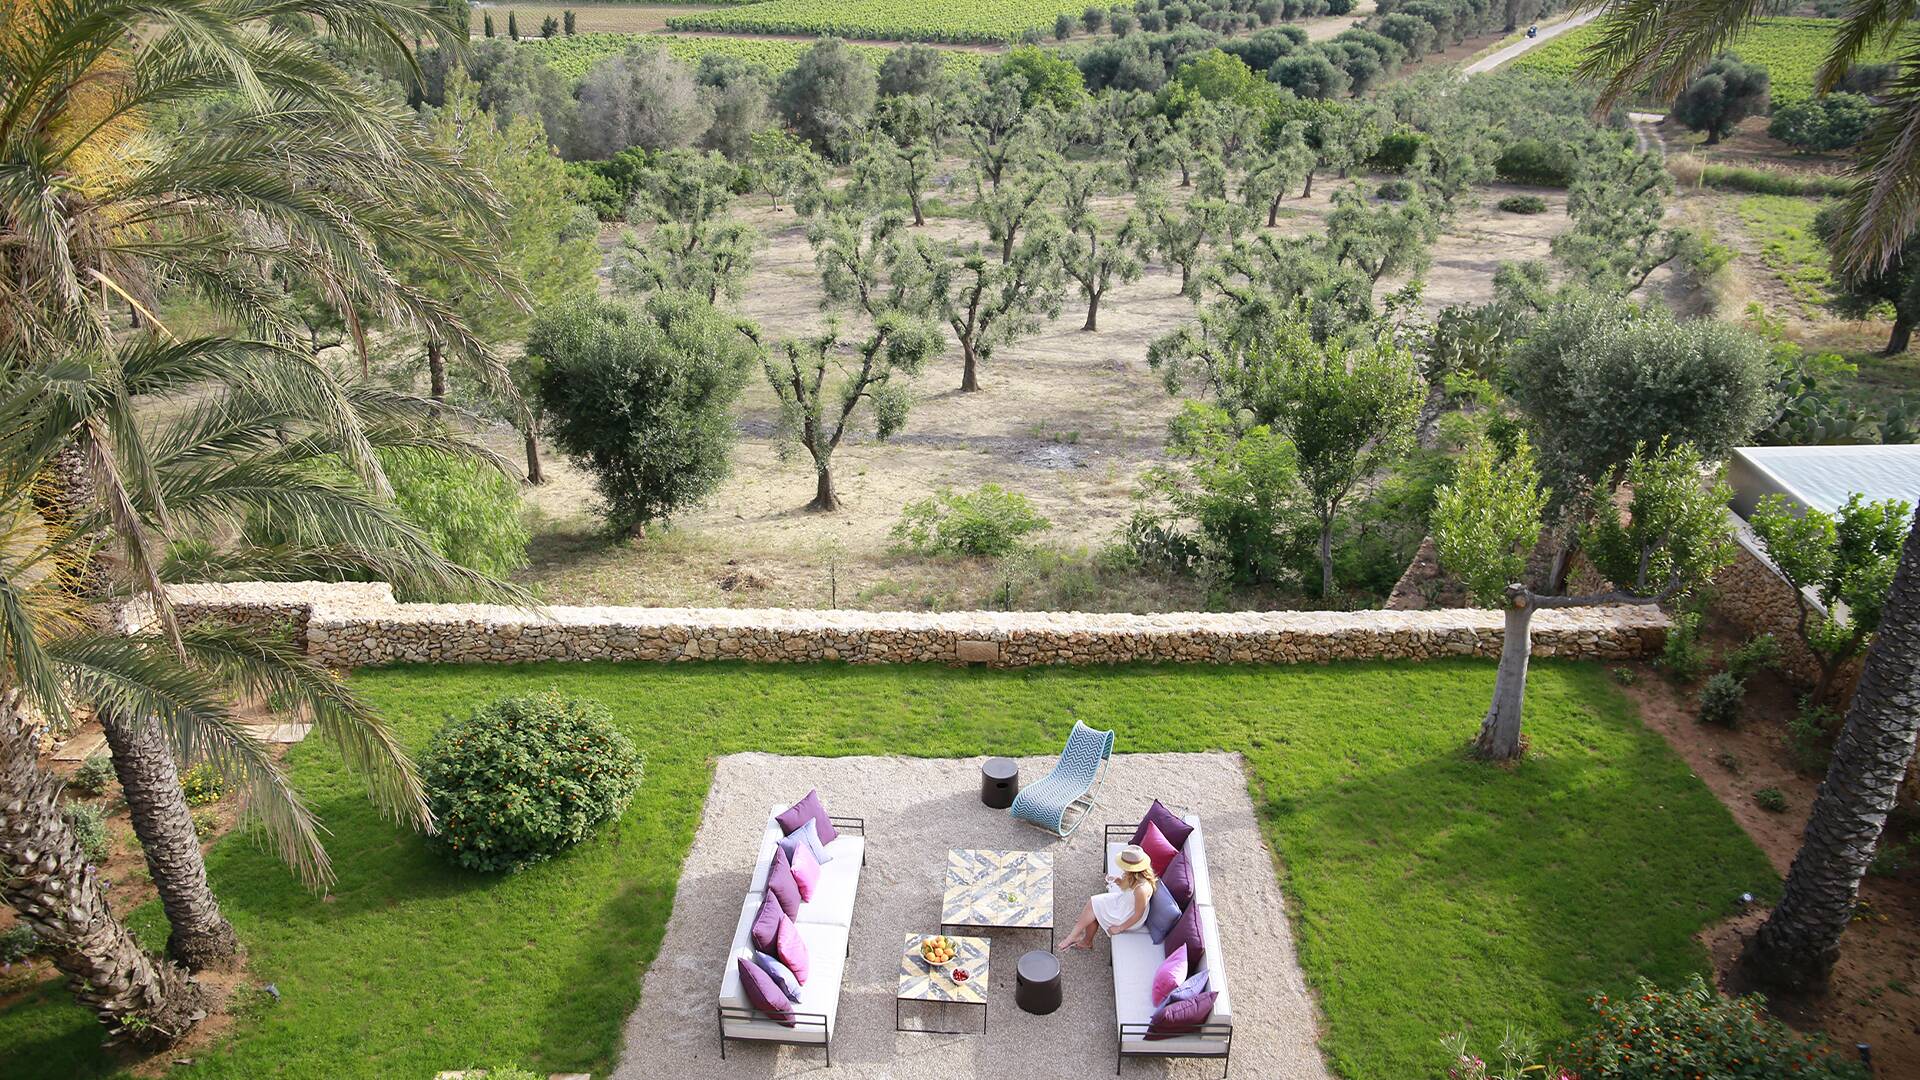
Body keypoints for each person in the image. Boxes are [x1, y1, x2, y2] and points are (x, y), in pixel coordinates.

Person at [1058, 845, 1156, 950]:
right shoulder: (1134, 876)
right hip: (1125, 903)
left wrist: (1119, 928)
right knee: (1093, 903)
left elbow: (1138, 915)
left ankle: (1076, 938)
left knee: (1093, 908)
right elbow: (1128, 890)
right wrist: (1117, 880)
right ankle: (1081, 938)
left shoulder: (1142, 889)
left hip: (1128, 916)